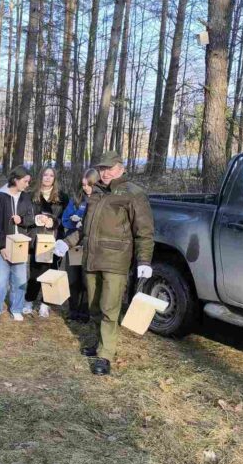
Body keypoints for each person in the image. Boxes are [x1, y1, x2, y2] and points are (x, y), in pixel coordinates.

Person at [54, 152, 154, 376]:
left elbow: (145, 232)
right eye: (102, 169)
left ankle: (106, 354)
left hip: (115, 261)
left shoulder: (133, 194)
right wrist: (66, 242)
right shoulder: (96, 193)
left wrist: (144, 260)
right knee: (94, 306)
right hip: (91, 259)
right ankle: (100, 343)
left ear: (121, 168)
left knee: (110, 308)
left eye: (110, 168)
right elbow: (83, 228)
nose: (105, 172)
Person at [0, 166, 34, 322]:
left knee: (20, 279)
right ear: (16, 180)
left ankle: (16, 308)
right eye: (25, 181)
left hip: (20, 244)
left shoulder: (25, 198)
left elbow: (30, 219)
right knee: (0, 279)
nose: (27, 184)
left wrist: (22, 220)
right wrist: (0, 247)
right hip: (2, 246)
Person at [24, 166, 70, 318]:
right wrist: (38, 219)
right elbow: (26, 216)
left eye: (51, 175)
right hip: (38, 238)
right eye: (45, 175)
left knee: (52, 272)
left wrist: (54, 222)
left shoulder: (63, 197)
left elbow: (66, 219)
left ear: (55, 178)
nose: (48, 178)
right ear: (40, 177)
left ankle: (45, 304)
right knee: (35, 271)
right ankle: (29, 301)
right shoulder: (31, 196)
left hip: (56, 239)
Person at [61, 168, 99, 322]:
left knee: (86, 279)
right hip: (73, 242)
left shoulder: (100, 200)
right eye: (83, 185)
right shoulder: (77, 198)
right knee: (72, 276)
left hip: (90, 245)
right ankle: (73, 310)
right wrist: (73, 220)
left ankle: (85, 311)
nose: (86, 188)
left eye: (89, 185)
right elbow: (65, 219)